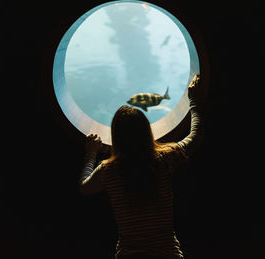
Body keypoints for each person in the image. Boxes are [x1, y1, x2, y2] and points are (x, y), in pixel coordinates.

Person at [79, 74, 203, 259]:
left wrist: (91, 153)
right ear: (147, 131)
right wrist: (193, 101)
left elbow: (85, 187)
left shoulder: (109, 170)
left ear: (116, 137)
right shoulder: (163, 159)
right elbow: (195, 136)